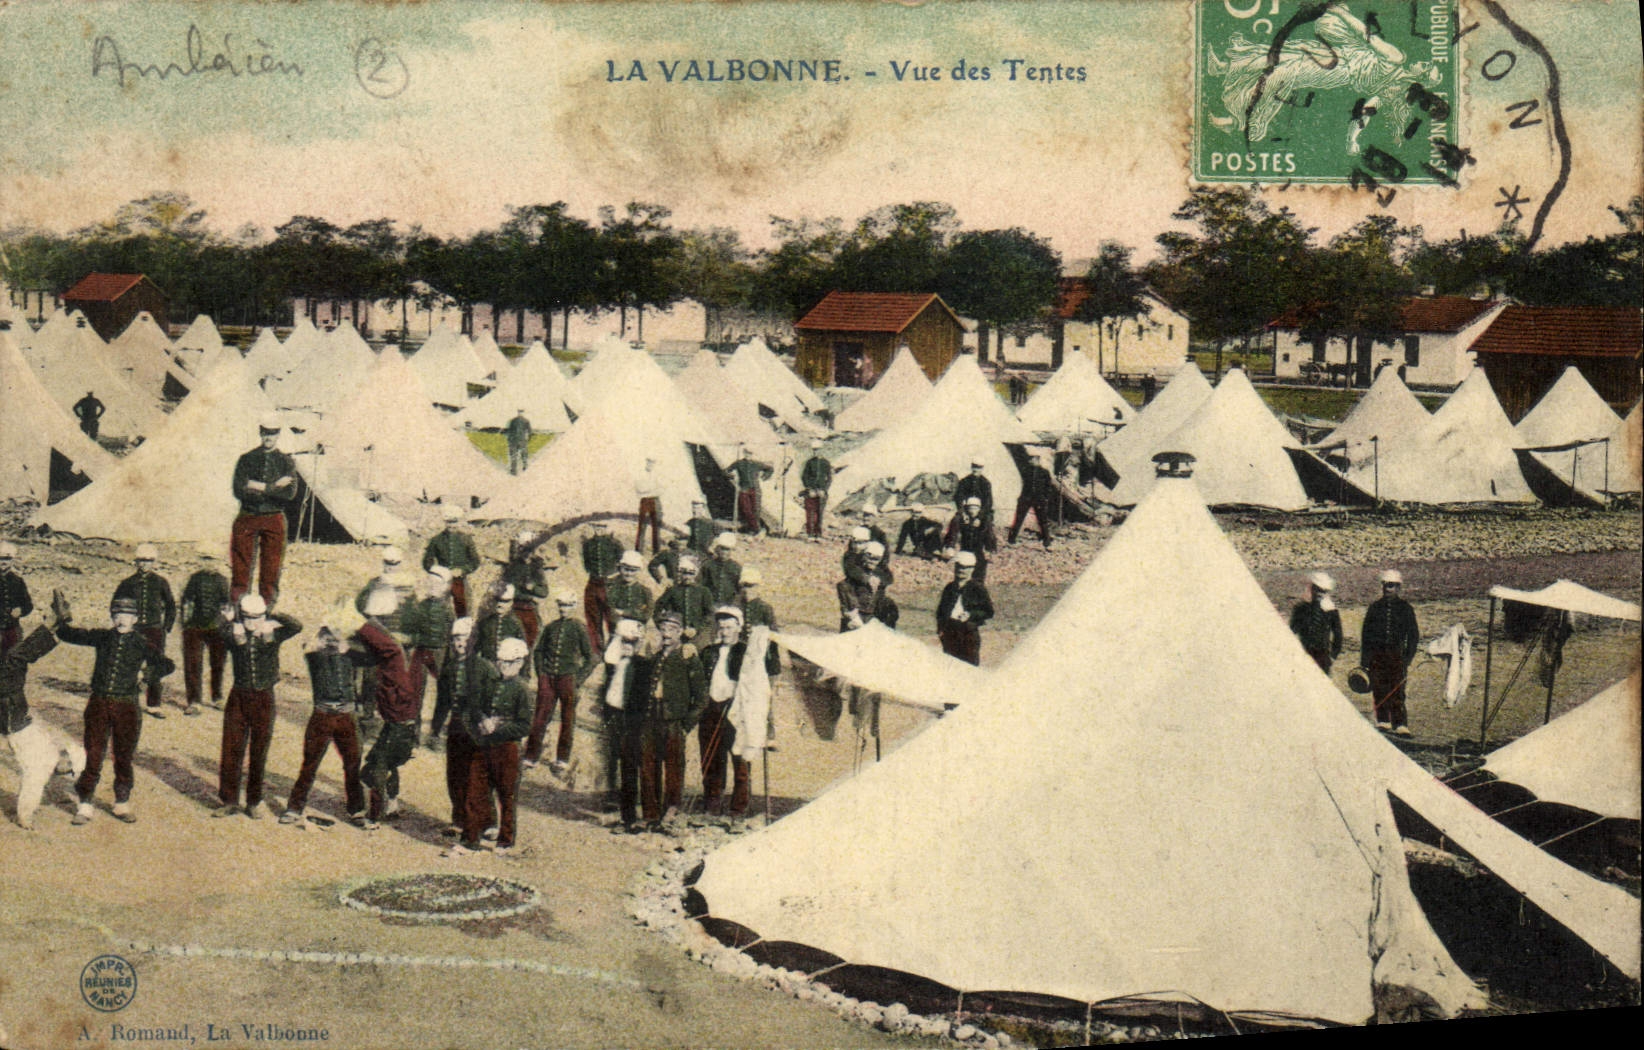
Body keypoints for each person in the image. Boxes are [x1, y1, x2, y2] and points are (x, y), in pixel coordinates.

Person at [55, 594, 174, 825]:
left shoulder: (141, 642)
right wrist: (60, 620)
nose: (122, 619)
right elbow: (70, 634)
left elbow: (167, 664)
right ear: (112, 616)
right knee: (93, 754)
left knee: (123, 755)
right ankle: (85, 803)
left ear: (135, 618)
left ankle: (121, 802)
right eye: (118, 614)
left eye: (128, 615)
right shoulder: (103, 637)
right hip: (99, 703)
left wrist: (146, 676)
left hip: (127, 706)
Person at [212, 594, 302, 819]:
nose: (252, 623)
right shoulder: (234, 635)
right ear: (243, 617)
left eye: (257, 617)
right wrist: (231, 621)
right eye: (248, 618)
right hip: (239, 697)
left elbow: (296, 626)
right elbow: (215, 629)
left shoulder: (273, 634)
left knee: (259, 751)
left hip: (264, 698)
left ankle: (254, 801)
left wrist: (271, 616)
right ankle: (229, 800)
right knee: (232, 748)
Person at [446, 637, 532, 857]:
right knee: (475, 791)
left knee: (507, 796)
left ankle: (505, 840)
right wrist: (482, 720)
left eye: (510, 662)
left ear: (520, 662)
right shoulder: (490, 682)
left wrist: (498, 729)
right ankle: (470, 839)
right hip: (483, 746)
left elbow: (524, 726)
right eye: (501, 661)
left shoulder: (522, 690)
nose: (504, 666)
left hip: (507, 750)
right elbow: (474, 706)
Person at [2, 614, 85, 829]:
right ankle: (54, 627)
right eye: (68, 758)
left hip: (12, 715)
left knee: (15, 660)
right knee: (15, 659)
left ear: (62, 769)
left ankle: (53, 626)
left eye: (66, 761)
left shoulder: (43, 766)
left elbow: (32, 786)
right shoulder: (49, 752)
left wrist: (25, 817)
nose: (64, 756)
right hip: (16, 713)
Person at [281, 625, 368, 828]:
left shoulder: (351, 655)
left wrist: (349, 644)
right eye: (328, 639)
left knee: (353, 763)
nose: (332, 644)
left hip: (347, 715)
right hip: (322, 715)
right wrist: (318, 639)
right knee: (310, 764)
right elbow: (306, 644)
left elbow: (371, 655)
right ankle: (294, 808)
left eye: (335, 640)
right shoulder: (314, 656)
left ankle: (356, 810)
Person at [634, 611, 707, 831]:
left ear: (680, 632)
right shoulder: (656, 657)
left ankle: (671, 812)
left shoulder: (687, 656)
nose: (667, 634)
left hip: (674, 721)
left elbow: (701, 696)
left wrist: (687, 723)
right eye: (663, 629)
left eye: (672, 629)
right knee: (648, 767)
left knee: (674, 768)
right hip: (651, 719)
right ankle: (649, 814)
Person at [355, 588, 418, 823]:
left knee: (375, 769)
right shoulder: (394, 645)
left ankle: (375, 814)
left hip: (399, 724)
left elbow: (384, 649)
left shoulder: (391, 651)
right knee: (385, 763)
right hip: (402, 724)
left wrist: (359, 626)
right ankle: (392, 804)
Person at [434, 617, 500, 838]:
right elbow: (442, 700)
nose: (458, 644)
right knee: (455, 774)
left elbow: (495, 699)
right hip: (456, 728)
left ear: (472, 640)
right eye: (454, 640)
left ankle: (489, 822)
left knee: (479, 776)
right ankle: (459, 820)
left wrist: (491, 725)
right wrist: (435, 728)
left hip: (477, 729)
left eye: (462, 639)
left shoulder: (485, 668)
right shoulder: (450, 668)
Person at [230, 415, 298, 605]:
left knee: (271, 566)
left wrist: (257, 486)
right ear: (260, 433)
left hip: (274, 518)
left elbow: (290, 494)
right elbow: (239, 490)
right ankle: (238, 606)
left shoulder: (287, 462)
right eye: (266, 433)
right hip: (248, 516)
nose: (269, 437)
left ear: (278, 435)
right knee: (241, 565)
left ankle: (265, 609)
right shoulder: (247, 459)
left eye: (273, 434)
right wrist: (275, 486)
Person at [697, 607, 756, 818]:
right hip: (711, 710)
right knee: (711, 757)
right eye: (721, 627)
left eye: (729, 627)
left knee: (739, 758)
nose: (724, 632)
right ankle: (712, 804)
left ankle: (738, 808)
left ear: (739, 628)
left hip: (737, 712)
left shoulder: (748, 653)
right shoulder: (708, 652)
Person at [527, 591, 594, 773]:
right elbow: (539, 651)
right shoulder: (550, 627)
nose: (564, 609)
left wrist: (577, 679)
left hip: (568, 679)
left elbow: (591, 657)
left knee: (568, 718)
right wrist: (541, 673)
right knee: (540, 716)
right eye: (561, 605)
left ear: (574, 607)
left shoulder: (579, 628)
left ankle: (562, 759)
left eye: (568, 605)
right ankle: (531, 756)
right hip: (548, 677)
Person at [113, 544, 177, 718]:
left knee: (155, 665)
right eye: (141, 560)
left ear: (154, 562)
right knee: (128, 664)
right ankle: (125, 700)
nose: (144, 564)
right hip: (134, 630)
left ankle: (154, 704)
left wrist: (166, 627)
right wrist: (121, 625)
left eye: (148, 561)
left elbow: (171, 606)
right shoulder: (127, 583)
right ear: (136, 562)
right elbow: (116, 605)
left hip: (155, 630)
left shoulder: (161, 582)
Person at [596, 619, 646, 834]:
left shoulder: (642, 666)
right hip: (615, 717)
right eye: (623, 643)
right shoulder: (614, 664)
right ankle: (615, 802)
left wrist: (634, 721)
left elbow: (641, 698)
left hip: (631, 722)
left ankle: (630, 817)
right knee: (613, 759)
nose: (626, 647)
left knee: (629, 767)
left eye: (631, 643)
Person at [1362, 569, 1421, 736]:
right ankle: (1383, 722)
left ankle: (1400, 724)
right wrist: (1365, 662)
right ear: (1382, 587)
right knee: (1379, 689)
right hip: (1377, 657)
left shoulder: (1406, 608)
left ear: (1398, 588)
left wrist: (1408, 658)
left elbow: (1414, 636)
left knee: (1398, 690)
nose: (1389, 589)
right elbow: (1366, 636)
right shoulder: (1374, 608)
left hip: (1397, 657)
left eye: (1392, 586)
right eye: (1386, 586)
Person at [401, 567, 456, 738]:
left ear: (446, 587)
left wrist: (451, 657)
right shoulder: (420, 606)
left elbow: (452, 634)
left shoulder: (448, 609)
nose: (432, 586)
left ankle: (436, 729)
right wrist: (415, 640)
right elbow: (409, 629)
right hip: (421, 651)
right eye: (430, 582)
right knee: (415, 689)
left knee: (446, 690)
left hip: (441, 652)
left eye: (437, 583)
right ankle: (413, 731)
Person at [178, 545, 230, 715]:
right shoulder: (194, 579)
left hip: (217, 628)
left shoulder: (222, 580)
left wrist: (225, 623)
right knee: (193, 664)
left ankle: (217, 697)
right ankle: (194, 701)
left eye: (213, 560)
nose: (209, 563)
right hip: (195, 628)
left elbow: (227, 604)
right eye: (206, 559)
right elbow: (186, 602)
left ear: (218, 562)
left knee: (218, 664)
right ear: (202, 561)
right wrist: (186, 625)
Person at [936, 551, 994, 666]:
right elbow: (941, 611)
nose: (961, 571)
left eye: (965, 568)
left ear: (972, 569)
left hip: (968, 631)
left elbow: (988, 611)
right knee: (949, 663)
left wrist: (970, 614)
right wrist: (940, 629)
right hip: (950, 630)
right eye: (958, 567)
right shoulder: (950, 588)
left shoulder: (977, 589)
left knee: (969, 665)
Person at [423, 505, 481, 616]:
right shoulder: (436, 540)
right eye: (449, 522)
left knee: (462, 607)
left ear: (458, 522)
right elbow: (426, 562)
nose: (451, 525)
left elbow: (475, 561)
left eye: (454, 522)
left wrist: (462, 570)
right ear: (445, 522)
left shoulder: (466, 539)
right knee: (438, 609)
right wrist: (438, 572)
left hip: (459, 580)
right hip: (441, 581)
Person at [502, 530, 551, 649]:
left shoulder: (537, 568)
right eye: (523, 548)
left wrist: (532, 588)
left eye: (529, 549)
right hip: (514, 608)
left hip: (530, 609)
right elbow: (506, 587)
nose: (526, 552)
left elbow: (544, 592)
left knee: (531, 642)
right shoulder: (513, 567)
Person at [580, 521, 624, 651]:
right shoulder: (588, 544)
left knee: (611, 618)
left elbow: (622, 563)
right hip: (593, 583)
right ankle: (597, 650)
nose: (599, 529)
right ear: (593, 527)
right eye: (596, 526)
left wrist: (614, 578)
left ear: (607, 528)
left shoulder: (615, 543)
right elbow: (587, 564)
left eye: (602, 526)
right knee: (593, 618)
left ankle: (613, 648)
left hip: (609, 584)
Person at [1289, 571, 1344, 674]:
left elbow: (1338, 635)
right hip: (1304, 653)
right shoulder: (1301, 609)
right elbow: (1292, 631)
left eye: (1323, 591)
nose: (1319, 594)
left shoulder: (1331, 611)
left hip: (1322, 655)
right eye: (1317, 590)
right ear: (1312, 589)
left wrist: (1332, 656)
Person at [837, 542, 898, 630]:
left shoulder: (882, 572)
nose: (871, 561)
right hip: (856, 612)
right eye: (869, 557)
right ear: (864, 556)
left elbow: (889, 578)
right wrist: (867, 578)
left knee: (890, 606)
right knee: (845, 586)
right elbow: (848, 575)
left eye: (876, 559)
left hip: (873, 612)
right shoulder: (854, 568)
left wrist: (877, 578)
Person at [654, 556, 713, 642]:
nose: (687, 577)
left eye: (691, 573)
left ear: (696, 574)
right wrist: (664, 626)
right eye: (684, 573)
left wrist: (697, 629)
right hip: (675, 635)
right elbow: (656, 609)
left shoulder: (704, 591)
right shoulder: (673, 590)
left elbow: (710, 614)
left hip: (698, 635)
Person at [1007, 454, 1057, 549]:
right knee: (1018, 519)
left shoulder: (1044, 472)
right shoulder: (1026, 471)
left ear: (1037, 460)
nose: (1030, 461)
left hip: (1039, 500)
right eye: (1030, 459)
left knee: (1043, 521)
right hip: (1026, 498)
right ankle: (1011, 540)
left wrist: (1045, 498)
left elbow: (1048, 488)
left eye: (1032, 459)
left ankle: (1047, 543)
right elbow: (1023, 484)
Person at [944, 497, 998, 582]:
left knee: (979, 575)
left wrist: (990, 549)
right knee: (962, 571)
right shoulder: (961, 517)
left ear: (979, 509)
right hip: (965, 548)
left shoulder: (985, 518)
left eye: (975, 508)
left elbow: (989, 534)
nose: (972, 511)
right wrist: (950, 546)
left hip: (979, 549)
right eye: (970, 508)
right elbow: (953, 531)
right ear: (966, 508)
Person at [474, 585, 526, 665]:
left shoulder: (515, 624)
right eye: (497, 600)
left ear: (511, 603)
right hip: (488, 667)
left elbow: (522, 652)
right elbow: (475, 648)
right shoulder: (485, 623)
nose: (500, 604)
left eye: (505, 601)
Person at [727, 445, 773, 534]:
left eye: (750, 453)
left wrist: (764, 477)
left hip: (755, 489)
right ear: (744, 453)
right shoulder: (739, 463)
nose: (748, 455)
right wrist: (732, 476)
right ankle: (756, 529)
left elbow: (770, 469)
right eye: (747, 453)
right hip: (744, 488)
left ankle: (753, 529)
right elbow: (726, 471)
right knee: (746, 509)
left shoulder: (757, 464)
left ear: (752, 454)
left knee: (756, 509)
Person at [606, 552, 654, 633]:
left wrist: (624, 612)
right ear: (620, 569)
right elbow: (609, 610)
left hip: (637, 630)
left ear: (639, 571)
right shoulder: (612, 588)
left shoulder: (644, 591)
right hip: (617, 629)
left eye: (633, 571)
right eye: (626, 569)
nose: (629, 574)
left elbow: (647, 614)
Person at [0, 540, 34, 655]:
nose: (3, 562)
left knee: (14, 663)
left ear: (12, 560)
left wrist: (21, 610)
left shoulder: (17, 581)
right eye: (0, 558)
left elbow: (28, 605)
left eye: (7, 559)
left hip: (12, 631)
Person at [800, 443, 833, 541]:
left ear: (822, 450)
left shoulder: (826, 463)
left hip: (822, 492)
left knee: (820, 513)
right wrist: (810, 489)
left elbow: (829, 478)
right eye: (814, 450)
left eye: (818, 449)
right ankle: (810, 534)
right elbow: (804, 477)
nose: (816, 452)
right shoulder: (809, 462)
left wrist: (824, 490)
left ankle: (818, 534)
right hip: (811, 491)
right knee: (810, 512)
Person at [701, 533, 742, 606]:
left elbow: (739, 589)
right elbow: (702, 585)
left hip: (729, 604)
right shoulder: (708, 565)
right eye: (722, 548)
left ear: (731, 550)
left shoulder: (736, 567)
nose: (724, 552)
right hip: (711, 603)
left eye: (727, 549)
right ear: (717, 549)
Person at [635, 457, 663, 554]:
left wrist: (647, 488)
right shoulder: (640, 474)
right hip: (645, 501)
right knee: (642, 527)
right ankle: (639, 551)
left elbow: (661, 489)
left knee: (656, 527)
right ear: (646, 463)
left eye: (652, 463)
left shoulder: (658, 475)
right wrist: (652, 488)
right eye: (649, 462)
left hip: (655, 501)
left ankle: (656, 552)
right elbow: (639, 488)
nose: (650, 464)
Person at [505, 409, 533, 476]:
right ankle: (525, 466)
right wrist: (529, 439)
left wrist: (509, 439)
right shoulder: (526, 421)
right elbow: (530, 431)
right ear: (523, 413)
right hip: (522, 440)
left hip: (513, 440)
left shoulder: (513, 420)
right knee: (524, 454)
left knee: (514, 455)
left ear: (518, 413)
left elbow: (509, 431)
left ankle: (513, 470)